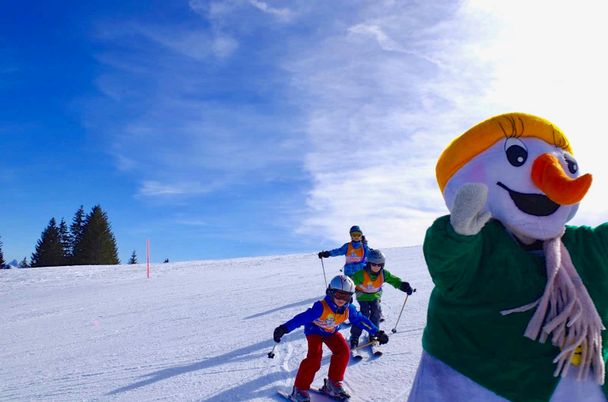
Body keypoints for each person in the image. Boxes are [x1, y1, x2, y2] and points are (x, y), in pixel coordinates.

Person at [273, 275, 389, 402]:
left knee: (343, 351)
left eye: (346, 296)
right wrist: (284, 328)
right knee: (314, 357)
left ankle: (333, 383)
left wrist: (376, 332)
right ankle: (299, 389)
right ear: (331, 292)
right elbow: (302, 318)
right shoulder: (321, 307)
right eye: (339, 295)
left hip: (331, 332)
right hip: (314, 331)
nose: (341, 299)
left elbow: (360, 320)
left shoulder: (349, 309)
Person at [349, 249, 413, 349]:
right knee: (364, 314)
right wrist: (347, 295)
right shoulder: (361, 274)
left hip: (375, 295)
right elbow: (350, 283)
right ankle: (355, 336)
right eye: (374, 264)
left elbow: (393, 280)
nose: (376, 267)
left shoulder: (383, 274)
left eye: (379, 265)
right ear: (369, 263)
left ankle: (374, 334)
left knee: (376, 312)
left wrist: (403, 285)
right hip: (362, 295)